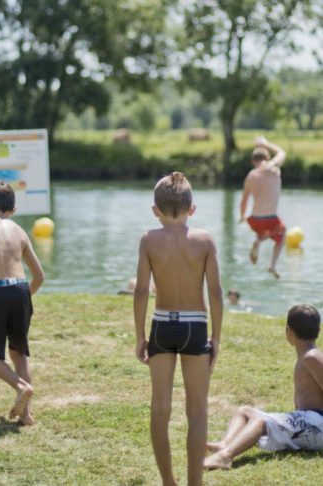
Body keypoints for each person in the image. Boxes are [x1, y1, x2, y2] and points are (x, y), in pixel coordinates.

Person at [134, 172, 223, 486]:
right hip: (195, 326)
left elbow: (142, 291)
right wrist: (216, 337)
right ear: (192, 208)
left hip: (161, 325)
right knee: (197, 411)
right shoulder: (205, 240)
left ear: (155, 209)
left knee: (160, 409)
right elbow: (215, 293)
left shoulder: (148, 239)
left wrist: (140, 336)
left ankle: (168, 482)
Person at [204, 304, 323, 470]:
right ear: (318, 330)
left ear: (288, 331)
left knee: (261, 421)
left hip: (318, 424)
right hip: (309, 421)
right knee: (243, 411)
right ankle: (225, 444)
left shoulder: (312, 356)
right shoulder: (307, 355)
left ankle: (225, 457)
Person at [0, 181, 44, 426]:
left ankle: (21, 386)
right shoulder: (20, 231)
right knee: (19, 353)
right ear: (13, 209)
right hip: (21, 290)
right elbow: (39, 276)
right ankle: (27, 416)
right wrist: (23, 300)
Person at [240, 136, 286, 278]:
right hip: (271, 218)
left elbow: (244, 200)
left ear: (253, 161)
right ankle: (272, 266)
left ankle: (258, 241)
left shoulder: (250, 175)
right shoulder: (273, 167)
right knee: (282, 233)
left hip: (253, 219)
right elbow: (282, 152)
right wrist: (266, 144)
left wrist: (242, 217)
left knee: (264, 231)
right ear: (267, 157)